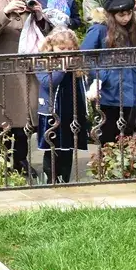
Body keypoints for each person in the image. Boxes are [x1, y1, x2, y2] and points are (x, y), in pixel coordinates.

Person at [0, 0, 52, 178]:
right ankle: (2, 163)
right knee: (3, 118)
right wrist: (5, 12)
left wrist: (40, 16)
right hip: (3, 71)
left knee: (25, 118)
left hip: (27, 71)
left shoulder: (31, 6)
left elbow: (48, 35)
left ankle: (20, 161)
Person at [81, 0, 136, 146]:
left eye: (129, 13)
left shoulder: (133, 28)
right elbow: (85, 56)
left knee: (127, 137)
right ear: (111, 15)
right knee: (109, 137)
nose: (126, 18)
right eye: (121, 15)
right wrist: (101, 76)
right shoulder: (99, 30)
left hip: (132, 91)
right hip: (109, 92)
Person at [35, 29, 90, 183]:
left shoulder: (76, 62)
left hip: (71, 111)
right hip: (52, 112)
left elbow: (84, 82)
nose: (66, 52)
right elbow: (48, 83)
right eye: (62, 48)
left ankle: (64, 180)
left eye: (70, 49)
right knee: (52, 148)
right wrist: (62, 68)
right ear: (51, 47)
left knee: (68, 149)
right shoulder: (43, 62)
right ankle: (51, 180)